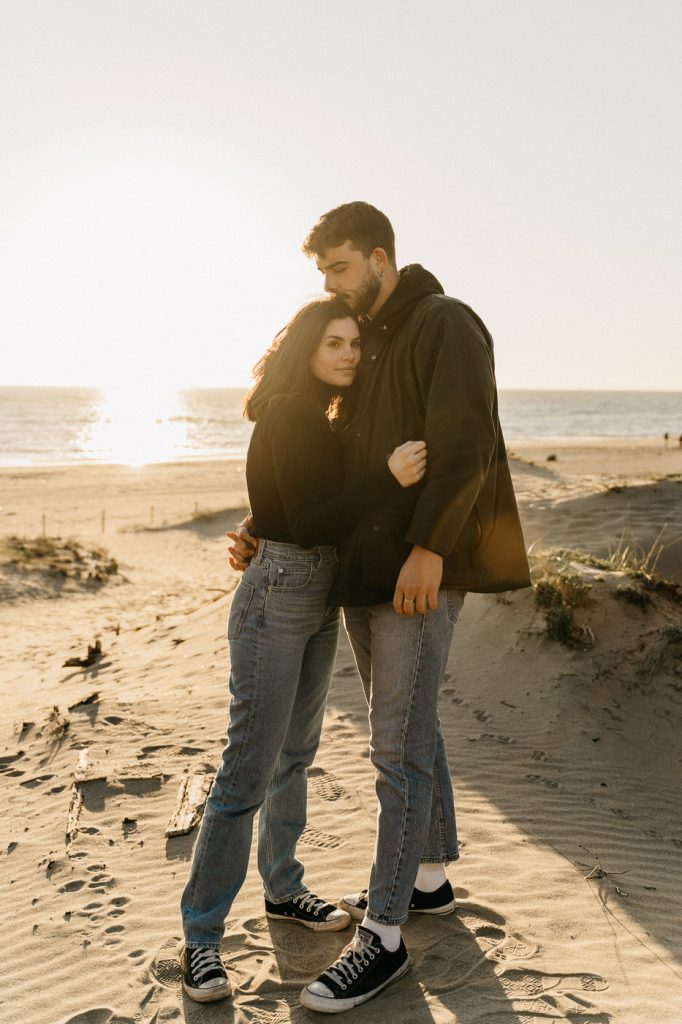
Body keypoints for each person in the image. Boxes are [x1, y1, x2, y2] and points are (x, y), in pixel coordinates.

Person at [235, 202, 531, 1013]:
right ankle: (429, 879)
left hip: (417, 573)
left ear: (376, 256)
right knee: (408, 728)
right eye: (322, 275)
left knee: (395, 751)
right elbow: (333, 467)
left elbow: (467, 443)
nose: (329, 285)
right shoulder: (370, 344)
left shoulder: (444, 323)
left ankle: (386, 938)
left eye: (336, 268)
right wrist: (265, 526)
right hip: (366, 573)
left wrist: (432, 548)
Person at [179, 296, 428, 1003]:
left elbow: (294, 503)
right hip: (280, 595)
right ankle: (200, 935)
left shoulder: (316, 415)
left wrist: (262, 521)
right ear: (306, 351)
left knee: (296, 754)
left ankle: (283, 888)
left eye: (354, 344)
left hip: (317, 593)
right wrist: (387, 477)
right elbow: (316, 515)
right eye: (334, 344)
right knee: (247, 770)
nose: (349, 354)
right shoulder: (292, 412)